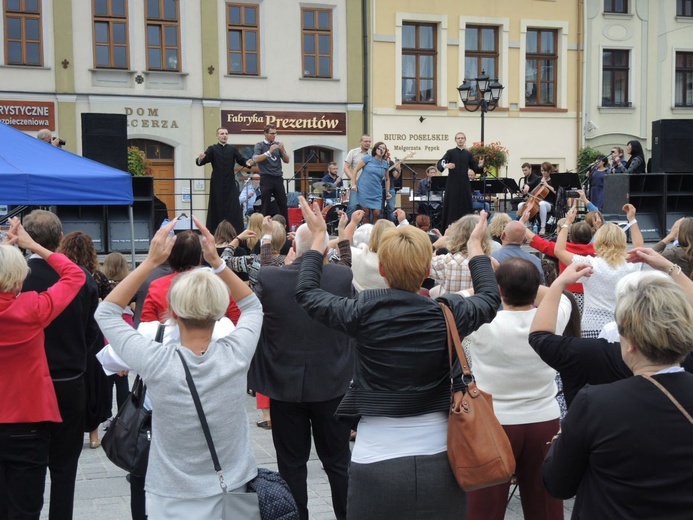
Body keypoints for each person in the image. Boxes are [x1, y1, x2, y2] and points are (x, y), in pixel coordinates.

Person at [294, 198, 500, 520]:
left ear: (383, 268)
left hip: (376, 460)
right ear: (428, 270)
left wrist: (319, 238)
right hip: (442, 459)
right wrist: (476, 248)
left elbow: (307, 293)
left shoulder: (360, 311)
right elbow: (489, 298)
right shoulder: (448, 312)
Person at [94, 217, 264, 518]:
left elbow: (106, 313)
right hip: (233, 488)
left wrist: (149, 263)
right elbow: (253, 307)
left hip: (170, 496)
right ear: (219, 309)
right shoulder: (236, 353)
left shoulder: (156, 360)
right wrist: (217, 262)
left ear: (171, 311)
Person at [539, 264, 693, 519]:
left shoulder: (595, 404)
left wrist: (560, 442)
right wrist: (671, 269)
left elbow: (557, 483)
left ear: (630, 341)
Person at [250, 222, 354, 520]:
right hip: (332, 384)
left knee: (291, 465)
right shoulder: (340, 277)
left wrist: (268, 238)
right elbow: (345, 265)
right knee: (338, 463)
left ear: (294, 250)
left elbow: (266, 270)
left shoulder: (271, 279)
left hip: (285, 386)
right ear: (325, 251)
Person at [465, 258, 569, 520]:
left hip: (493, 422)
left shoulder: (482, 323)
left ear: (499, 290)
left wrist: (486, 275)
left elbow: (457, 298)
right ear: (536, 288)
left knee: (484, 507)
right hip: (544, 417)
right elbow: (557, 294)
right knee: (545, 504)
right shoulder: (554, 316)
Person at [0, 218, 85, 520]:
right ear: (19, 278)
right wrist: (33, 246)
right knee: (25, 509)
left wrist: (4, 248)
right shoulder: (32, 309)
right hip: (28, 420)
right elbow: (75, 276)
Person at [21, 210, 100, 520]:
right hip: (70, 380)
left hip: (30, 382)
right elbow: (92, 334)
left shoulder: (16, 276)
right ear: (58, 238)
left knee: (30, 463)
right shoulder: (81, 279)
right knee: (66, 468)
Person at [57, 231, 113, 450]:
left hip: (68, 330)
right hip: (93, 331)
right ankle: (93, 434)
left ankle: (71, 430)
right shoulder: (96, 276)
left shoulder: (60, 274)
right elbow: (111, 303)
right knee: (93, 382)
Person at [554, 205, 644, 338]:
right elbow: (640, 247)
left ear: (598, 241)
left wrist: (567, 223)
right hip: (624, 326)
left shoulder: (590, 264)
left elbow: (559, 251)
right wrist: (632, 220)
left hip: (593, 326)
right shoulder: (632, 264)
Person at [140, 230, 241, 324]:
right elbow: (236, 318)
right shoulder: (218, 282)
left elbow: (147, 325)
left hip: (167, 341)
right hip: (211, 339)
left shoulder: (157, 286)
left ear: (170, 256)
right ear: (200, 256)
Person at [196, 127, 254, 234]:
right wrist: (200, 158)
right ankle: (215, 231)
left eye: (226, 134)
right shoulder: (212, 149)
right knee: (216, 206)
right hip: (217, 184)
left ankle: (233, 231)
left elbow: (241, 160)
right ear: (217, 136)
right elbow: (203, 160)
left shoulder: (232, 150)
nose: (224, 136)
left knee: (232, 206)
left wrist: (247, 163)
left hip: (230, 183)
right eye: (222, 134)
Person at [430, 214, 492, 295]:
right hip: (478, 306)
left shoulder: (445, 261)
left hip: (449, 306)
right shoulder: (490, 264)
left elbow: (416, 264)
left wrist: (434, 246)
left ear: (457, 235)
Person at [436, 132, 485, 231]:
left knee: (466, 206)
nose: (460, 140)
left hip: (465, 185)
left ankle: (466, 229)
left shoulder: (468, 154)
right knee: (451, 207)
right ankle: (449, 229)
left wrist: (480, 165)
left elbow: (475, 168)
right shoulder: (450, 152)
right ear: (455, 140)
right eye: (458, 138)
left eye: (462, 138)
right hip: (452, 185)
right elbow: (441, 162)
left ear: (465, 140)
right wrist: (446, 165)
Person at [253, 123, 290, 225]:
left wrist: (282, 151)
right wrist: (269, 152)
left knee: (283, 203)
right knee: (265, 204)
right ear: (265, 134)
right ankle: (263, 228)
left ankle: (285, 229)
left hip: (278, 177)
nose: (274, 135)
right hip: (266, 177)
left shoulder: (278, 145)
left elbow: (287, 160)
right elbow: (256, 159)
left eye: (275, 133)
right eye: (272, 133)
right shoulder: (259, 145)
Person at [351, 141, 391, 224]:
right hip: (364, 189)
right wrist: (354, 184)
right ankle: (366, 232)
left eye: (384, 148)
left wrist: (387, 192)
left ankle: (374, 231)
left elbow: (387, 179)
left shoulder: (384, 164)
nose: (382, 150)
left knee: (377, 213)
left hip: (376, 190)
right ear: (375, 149)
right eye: (380, 148)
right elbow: (355, 170)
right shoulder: (368, 158)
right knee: (366, 213)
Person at [517, 162, 556, 235]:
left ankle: (543, 227)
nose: (543, 173)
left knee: (542, 204)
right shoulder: (539, 179)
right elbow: (529, 184)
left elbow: (555, 191)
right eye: (542, 171)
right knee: (521, 205)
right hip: (537, 202)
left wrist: (546, 184)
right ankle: (528, 226)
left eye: (545, 171)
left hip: (549, 204)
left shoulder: (553, 180)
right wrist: (526, 186)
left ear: (549, 171)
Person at [344, 134, 371, 217]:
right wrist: (353, 178)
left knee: (368, 209)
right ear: (360, 142)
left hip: (369, 185)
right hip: (356, 185)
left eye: (369, 141)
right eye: (366, 141)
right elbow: (345, 167)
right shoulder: (353, 152)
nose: (368, 143)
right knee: (352, 207)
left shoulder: (372, 154)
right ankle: (347, 228)